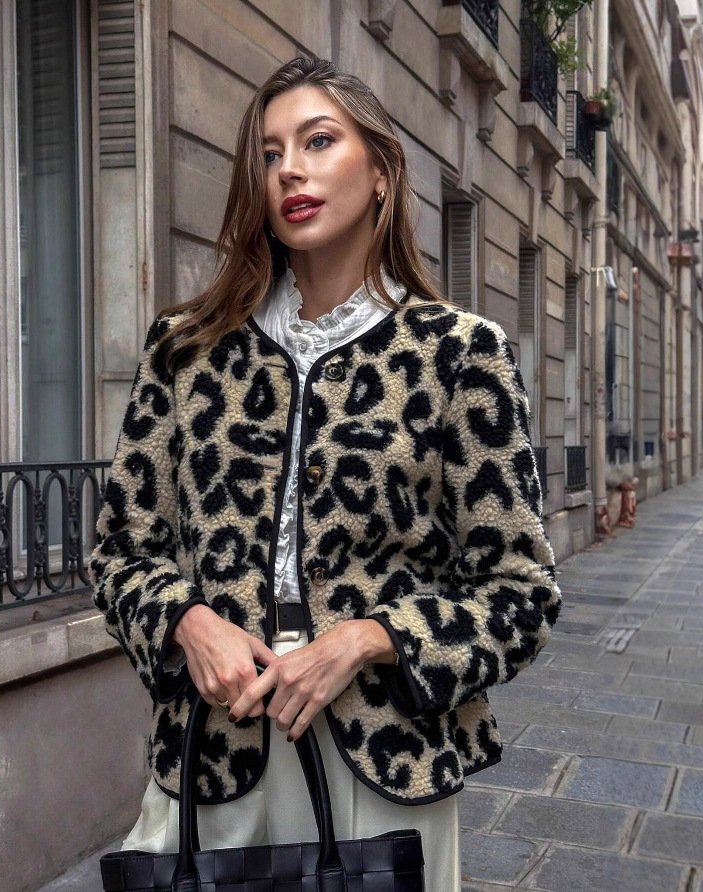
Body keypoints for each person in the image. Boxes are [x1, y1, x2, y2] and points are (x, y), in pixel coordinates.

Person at [90, 55, 562, 891]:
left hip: (382, 758)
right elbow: (121, 550)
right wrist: (188, 622)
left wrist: (367, 639)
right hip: (215, 750)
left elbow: (520, 595)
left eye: (317, 141)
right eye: (269, 153)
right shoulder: (187, 349)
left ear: (381, 172)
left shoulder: (458, 355)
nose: (289, 171)